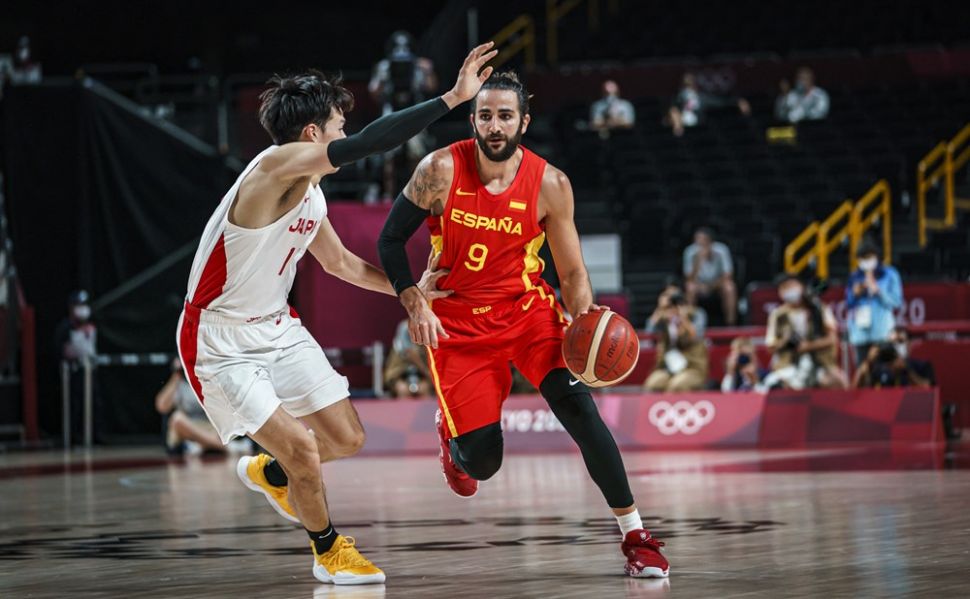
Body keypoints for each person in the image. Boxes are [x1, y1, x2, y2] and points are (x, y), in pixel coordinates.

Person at [176, 43, 497, 586]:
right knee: (303, 447)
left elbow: (342, 264)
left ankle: (271, 472)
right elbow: (371, 143)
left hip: (276, 325)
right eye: (338, 126)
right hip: (220, 340)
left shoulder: (311, 193)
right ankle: (328, 551)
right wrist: (451, 99)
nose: (346, 134)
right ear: (312, 135)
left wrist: (409, 289)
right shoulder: (273, 167)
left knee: (346, 438)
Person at [377, 71, 669, 579]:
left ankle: (636, 536)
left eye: (505, 116)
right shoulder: (438, 169)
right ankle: (453, 442)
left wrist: (583, 321)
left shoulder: (550, 184)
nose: (495, 125)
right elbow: (389, 240)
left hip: (527, 312)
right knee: (482, 464)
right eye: (486, 116)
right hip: (458, 325)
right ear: (473, 120)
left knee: (580, 411)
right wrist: (413, 299)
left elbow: (572, 273)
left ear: (524, 122)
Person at [368, 31, 439, 199]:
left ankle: (417, 194)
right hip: (391, 113)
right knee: (389, 158)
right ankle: (388, 195)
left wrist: (429, 71)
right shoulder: (384, 66)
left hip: (415, 113)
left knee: (416, 154)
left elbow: (431, 87)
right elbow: (373, 92)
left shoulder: (418, 66)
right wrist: (383, 79)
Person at [763, 275, 848, 390]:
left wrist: (808, 346)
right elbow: (771, 346)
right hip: (788, 364)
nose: (789, 290)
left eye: (792, 285)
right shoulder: (778, 315)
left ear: (802, 287)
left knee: (837, 382)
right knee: (775, 385)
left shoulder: (819, 309)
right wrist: (786, 342)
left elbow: (832, 339)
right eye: (784, 288)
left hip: (819, 362)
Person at [54, 290, 101, 444]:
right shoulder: (65, 327)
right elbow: (60, 350)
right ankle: (71, 437)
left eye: (85, 305)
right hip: (72, 373)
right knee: (73, 405)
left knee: (94, 403)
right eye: (79, 305)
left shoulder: (92, 324)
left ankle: (94, 436)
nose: (83, 309)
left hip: (89, 371)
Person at [846, 239, 903, 365]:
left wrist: (878, 291)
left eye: (869, 257)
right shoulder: (854, 277)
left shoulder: (890, 274)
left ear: (876, 256)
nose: (866, 261)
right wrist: (855, 294)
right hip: (860, 334)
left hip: (883, 333)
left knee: (885, 369)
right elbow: (849, 304)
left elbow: (897, 302)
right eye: (862, 258)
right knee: (863, 370)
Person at [644, 288, 709, 392]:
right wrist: (660, 309)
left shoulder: (695, 314)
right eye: (669, 305)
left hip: (692, 367)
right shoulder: (664, 319)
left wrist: (683, 318)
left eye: (675, 304)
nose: (673, 308)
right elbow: (649, 333)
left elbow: (696, 336)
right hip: (669, 368)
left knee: (676, 385)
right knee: (653, 384)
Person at [155, 357, 225, 454]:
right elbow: (162, 407)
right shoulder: (180, 383)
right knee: (177, 419)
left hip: (210, 426)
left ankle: (200, 445)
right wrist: (176, 376)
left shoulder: (208, 379)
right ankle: (224, 447)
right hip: (189, 428)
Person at [665, 72, 750, 137]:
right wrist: (677, 123)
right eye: (687, 85)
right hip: (683, 130)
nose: (689, 88)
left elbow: (720, 102)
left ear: (695, 85)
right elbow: (672, 111)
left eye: (691, 84)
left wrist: (738, 101)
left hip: (698, 130)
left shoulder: (701, 97)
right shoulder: (680, 96)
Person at [683, 227, 738, 326]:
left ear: (710, 241)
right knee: (690, 287)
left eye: (703, 240)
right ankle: (690, 324)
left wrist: (712, 286)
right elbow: (689, 278)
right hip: (699, 285)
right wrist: (697, 261)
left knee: (729, 287)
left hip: (717, 284)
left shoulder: (722, 250)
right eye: (697, 240)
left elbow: (728, 275)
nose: (699, 244)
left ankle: (731, 323)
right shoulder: (690, 252)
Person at [853, 326, 935, 389]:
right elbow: (855, 391)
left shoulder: (922, 366)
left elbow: (929, 391)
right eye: (892, 343)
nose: (896, 346)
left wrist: (907, 371)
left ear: (909, 344)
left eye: (900, 341)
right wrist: (868, 362)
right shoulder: (877, 367)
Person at [384, 318, 432, 398]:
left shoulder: (428, 325)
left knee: (424, 389)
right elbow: (409, 353)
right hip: (400, 374)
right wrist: (426, 371)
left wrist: (428, 376)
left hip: (422, 376)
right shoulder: (405, 326)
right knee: (402, 389)